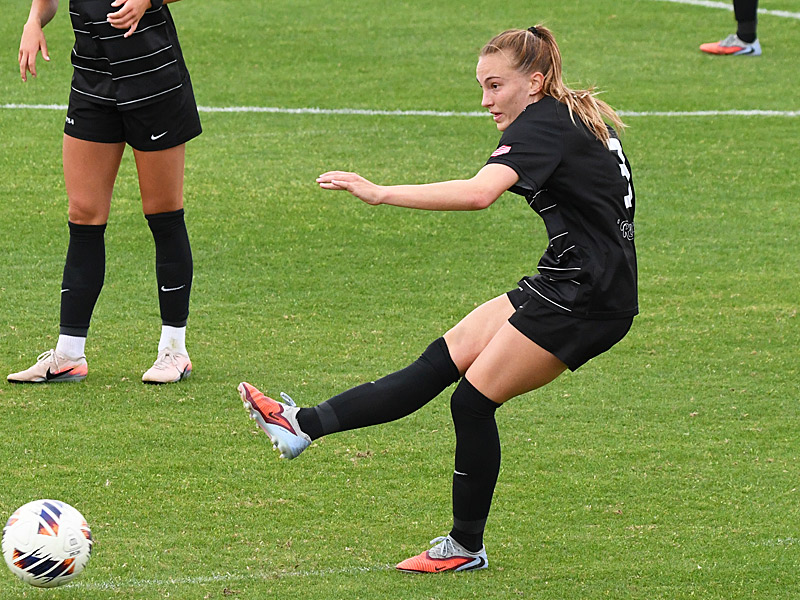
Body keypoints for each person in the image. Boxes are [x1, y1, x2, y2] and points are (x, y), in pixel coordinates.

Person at [239, 25, 638, 573]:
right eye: (482, 86)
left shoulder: (544, 124)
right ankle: (299, 425)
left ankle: (464, 547)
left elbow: (479, 193)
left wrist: (380, 193)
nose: (485, 101)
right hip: (568, 280)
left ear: (535, 82)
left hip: (587, 299)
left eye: (496, 86)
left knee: (472, 401)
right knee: (440, 360)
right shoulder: (565, 116)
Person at [9, 0, 200, 384]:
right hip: (92, 85)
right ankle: (68, 353)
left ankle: (174, 350)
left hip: (153, 80)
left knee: (163, 214)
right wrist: (33, 21)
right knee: (83, 214)